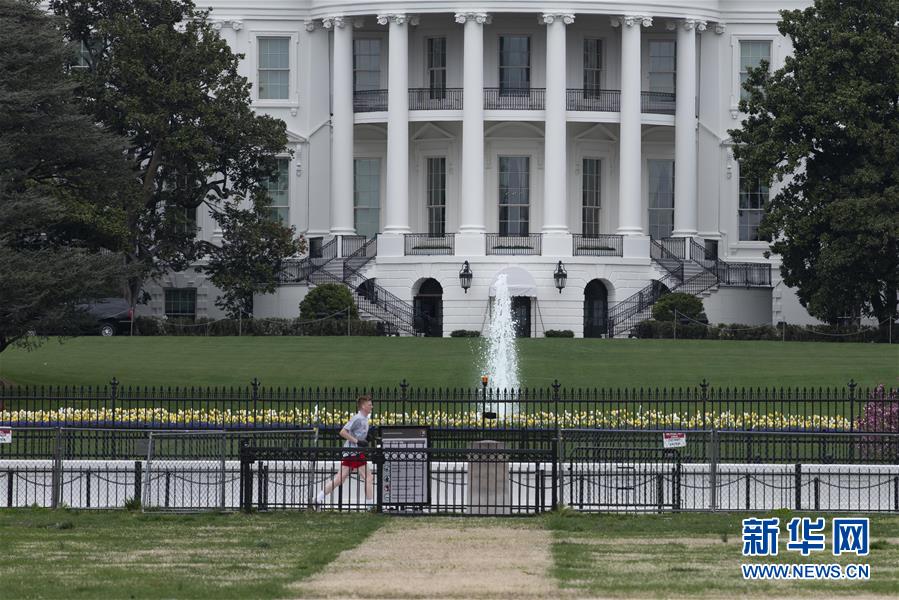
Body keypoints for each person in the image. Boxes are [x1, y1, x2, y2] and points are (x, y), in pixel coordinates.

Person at [316, 395, 374, 506]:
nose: (372, 406)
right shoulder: (357, 418)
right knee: (368, 477)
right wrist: (357, 441)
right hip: (353, 453)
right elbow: (343, 432)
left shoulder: (365, 418)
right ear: (363, 406)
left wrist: (366, 438)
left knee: (340, 479)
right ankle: (370, 505)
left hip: (354, 452)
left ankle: (318, 498)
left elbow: (357, 433)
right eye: (369, 405)